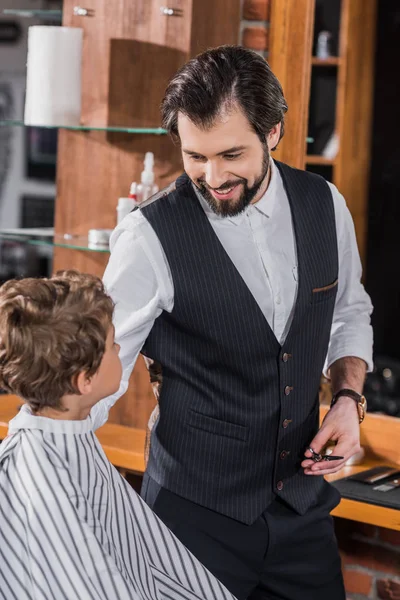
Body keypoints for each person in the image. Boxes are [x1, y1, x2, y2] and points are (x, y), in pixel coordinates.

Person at [103, 45, 374, 600]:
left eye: (231, 154)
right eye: (195, 157)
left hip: (302, 513)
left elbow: (348, 311)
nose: (212, 176)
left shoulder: (326, 205)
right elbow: (100, 370)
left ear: (273, 132)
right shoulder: (147, 237)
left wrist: (348, 401)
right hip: (190, 520)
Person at [0, 270, 236, 600]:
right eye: (113, 345)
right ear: (84, 380)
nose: (121, 348)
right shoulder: (41, 476)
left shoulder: (66, 436)